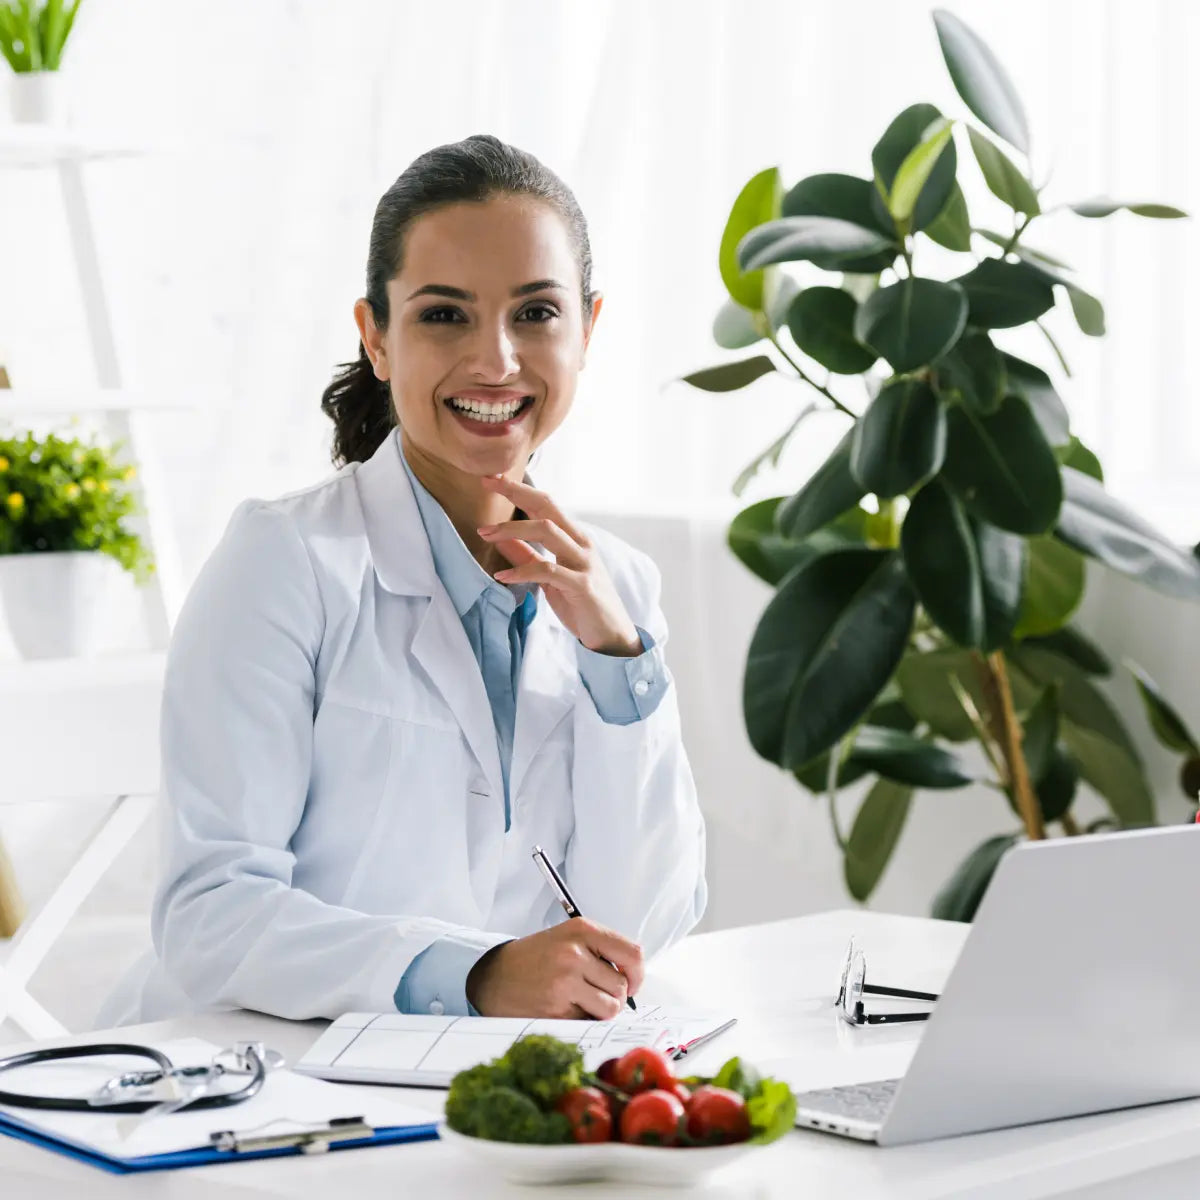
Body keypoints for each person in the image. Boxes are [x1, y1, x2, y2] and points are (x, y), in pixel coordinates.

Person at [98, 134, 707, 1027]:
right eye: (444, 315)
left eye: (536, 313)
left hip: (473, 1100)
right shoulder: (283, 563)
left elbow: (641, 930)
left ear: (589, 331)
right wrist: (475, 975)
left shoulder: (621, 592)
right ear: (376, 338)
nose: (497, 361)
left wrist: (618, 658)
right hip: (248, 1084)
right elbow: (209, 914)